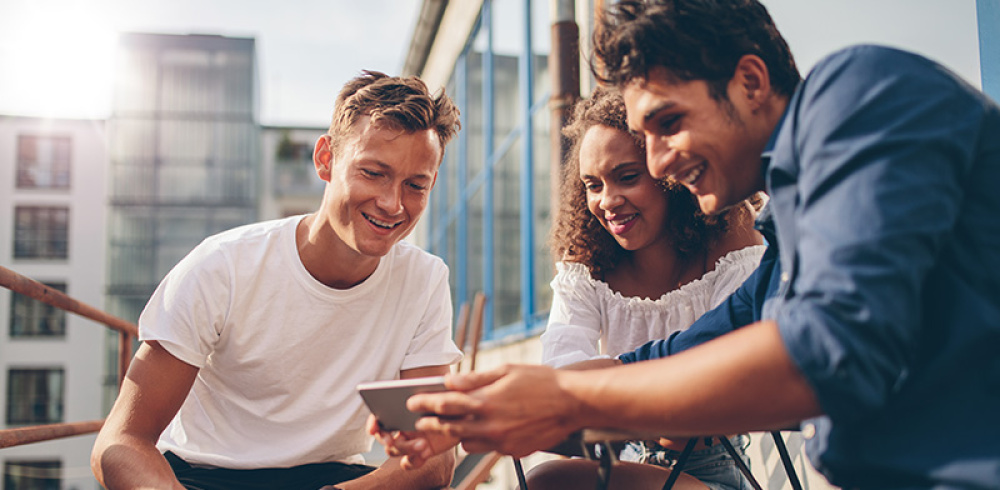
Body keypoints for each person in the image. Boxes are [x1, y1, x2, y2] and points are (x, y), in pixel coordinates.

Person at [384, 1, 1000, 488]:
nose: (657, 161)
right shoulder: (792, 226)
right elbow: (679, 355)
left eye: (668, 123)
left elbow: (826, 351)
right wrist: (483, 409)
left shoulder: (860, 94)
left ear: (751, 81)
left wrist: (566, 397)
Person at [91, 70, 464, 490]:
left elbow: (433, 454)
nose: (393, 204)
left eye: (416, 185)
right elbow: (122, 440)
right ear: (326, 159)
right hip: (206, 478)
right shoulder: (223, 266)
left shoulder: (424, 279)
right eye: (373, 172)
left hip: (336, 480)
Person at [536, 86, 763, 489]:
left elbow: (731, 372)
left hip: (709, 470)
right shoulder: (587, 265)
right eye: (593, 185)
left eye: (627, 177)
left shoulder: (731, 237)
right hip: (622, 465)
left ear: (670, 173)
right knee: (545, 478)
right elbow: (560, 371)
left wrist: (608, 400)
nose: (608, 201)